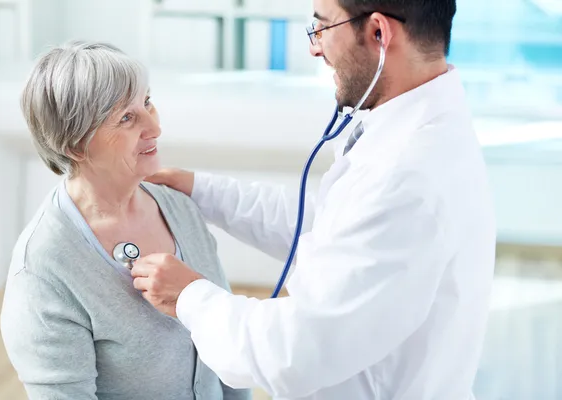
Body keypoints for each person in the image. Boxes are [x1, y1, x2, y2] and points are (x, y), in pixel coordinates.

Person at [131, 0, 497, 399]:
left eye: (321, 27)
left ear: (378, 32)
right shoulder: (417, 131)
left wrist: (190, 296)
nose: (314, 47)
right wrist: (203, 190)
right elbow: (333, 230)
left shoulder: (407, 173)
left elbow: (293, 353)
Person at [0, 41, 251, 400]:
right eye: (126, 118)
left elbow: (227, 344)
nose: (154, 128)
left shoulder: (178, 206)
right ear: (76, 145)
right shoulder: (44, 271)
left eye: (147, 102)